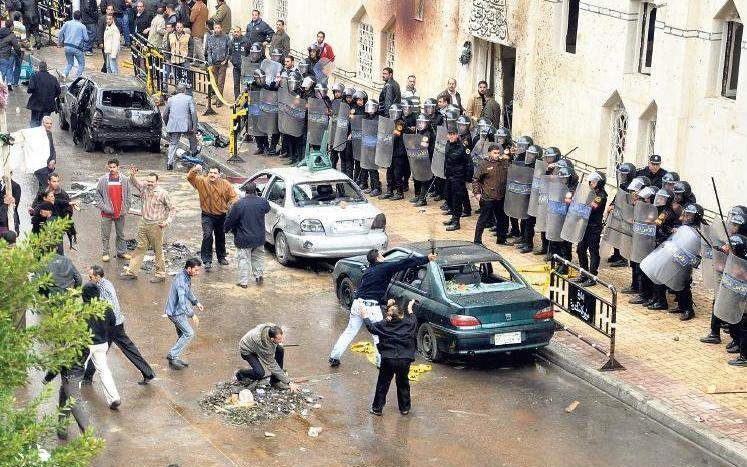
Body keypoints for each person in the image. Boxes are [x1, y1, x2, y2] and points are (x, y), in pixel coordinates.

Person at [329, 249, 438, 367]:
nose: (383, 256)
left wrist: (385, 302)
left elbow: (371, 289)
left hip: (357, 304)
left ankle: (334, 357)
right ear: (377, 258)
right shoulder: (385, 267)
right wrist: (426, 258)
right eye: (381, 255)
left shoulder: (368, 271)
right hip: (371, 308)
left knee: (349, 332)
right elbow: (404, 263)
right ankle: (380, 362)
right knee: (379, 335)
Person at [84, 265, 155, 385]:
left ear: (98, 277)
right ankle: (148, 373)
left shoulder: (104, 288)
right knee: (127, 347)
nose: (89, 279)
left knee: (98, 349)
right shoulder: (102, 284)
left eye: (90, 277)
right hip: (116, 322)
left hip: (112, 325)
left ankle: (87, 378)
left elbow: (108, 307)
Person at [363, 299, 418, 416]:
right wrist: (410, 306)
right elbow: (413, 317)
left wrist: (365, 316)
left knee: (383, 382)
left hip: (388, 358)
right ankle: (404, 408)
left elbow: (371, 327)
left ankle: (377, 408)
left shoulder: (384, 324)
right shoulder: (409, 323)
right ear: (402, 314)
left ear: (389, 315)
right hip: (405, 358)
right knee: (403, 382)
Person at [121, 168, 176, 282]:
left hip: (156, 225)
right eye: (148, 181)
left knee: (158, 250)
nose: (149, 184)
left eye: (152, 182)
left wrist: (166, 222)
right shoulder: (144, 188)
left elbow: (173, 209)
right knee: (140, 247)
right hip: (143, 222)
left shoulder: (163, 193)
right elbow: (135, 182)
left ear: (157, 182)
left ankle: (160, 274)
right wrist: (132, 175)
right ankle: (132, 272)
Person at [187, 164, 238, 270]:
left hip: (222, 215)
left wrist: (234, 207)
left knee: (220, 236)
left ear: (219, 175)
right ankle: (207, 260)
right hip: (207, 215)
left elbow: (233, 197)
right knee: (207, 235)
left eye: (215, 173)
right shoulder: (202, 181)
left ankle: (221, 257)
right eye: (211, 172)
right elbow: (190, 178)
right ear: (208, 173)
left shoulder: (225, 184)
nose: (212, 175)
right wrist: (195, 170)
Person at [81, 282, 121, 410]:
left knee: (76, 371)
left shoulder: (82, 309)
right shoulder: (106, 308)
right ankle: (114, 397)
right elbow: (113, 323)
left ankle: (72, 400)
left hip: (86, 345)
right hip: (102, 343)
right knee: (104, 371)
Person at [224, 182, 270, 287]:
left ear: (245, 192)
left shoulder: (239, 204)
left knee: (243, 260)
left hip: (243, 238)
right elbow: (267, 209)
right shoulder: (263, 202)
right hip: (259, 237)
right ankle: (258, 276)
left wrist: (225, 229)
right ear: (256, 190)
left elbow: (230, 220)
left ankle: (243, 282)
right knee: (258, 257)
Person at [165, 258, 203, 370]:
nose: (198, 272)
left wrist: (196, 302)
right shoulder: (181, 281)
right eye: (196, 270)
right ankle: (173, 355)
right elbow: (182, 302)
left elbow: (188, 291)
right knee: (189, 333)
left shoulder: (185, 276)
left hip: (178, 311)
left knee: (182, 334)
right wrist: (192, 315)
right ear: (189, 268)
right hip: (176, 313)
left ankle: (174, 356)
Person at [236, 323, 299, 390]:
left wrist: (278, 343)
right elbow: (272, 365)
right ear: (272, 339)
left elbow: (277, 340)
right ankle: (241, 373)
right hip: (247, 349)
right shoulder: (264, 347)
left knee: (280, 349)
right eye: (280, 339)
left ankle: (275, 381)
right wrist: (289, 382)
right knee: (260, 373)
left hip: (255, 344)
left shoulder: (271, 327)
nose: (282, 340)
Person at [572, 171, 608, 287]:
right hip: (585, 225)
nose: (590, 183)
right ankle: (584, 273)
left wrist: (579, 205)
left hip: (594, 227)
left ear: (599, 183)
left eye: (593, 182)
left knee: (593, 251)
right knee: (580, 249)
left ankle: (592, 276)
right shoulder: (590, 192)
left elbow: (592, 207)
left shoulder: (601, 195)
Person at [93, 159, 132, 262]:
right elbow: (97, 196)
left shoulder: (124, 179)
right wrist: (105, 208)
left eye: (114, 167)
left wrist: (125, 208)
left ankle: (121, 252)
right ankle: (105, 253)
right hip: (106, 214)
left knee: (120, 234)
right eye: (110, 167)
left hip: (120, 213)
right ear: (107, 167)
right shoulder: (103, 180)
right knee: (105, 235)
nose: (112, 169)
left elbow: (128, 195)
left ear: (118, 167)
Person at [473, 144, 509, 244]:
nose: (497, 155)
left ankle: (501, 239)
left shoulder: (503, 163)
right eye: (495, 153)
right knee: (483, 219)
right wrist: (477, 193)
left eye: (498, 153)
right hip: (488, 196)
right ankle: (477, 240)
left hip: (500, 196)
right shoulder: (484, 164)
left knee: (502, 219)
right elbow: (476, 179)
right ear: (490, 153)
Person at [163, 83, 199, 170]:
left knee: (173, 144)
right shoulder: (189, 98)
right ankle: (193, 152)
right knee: (192, 137)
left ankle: (169, 163)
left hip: (173, 125)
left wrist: (168, 124)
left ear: (176, 91)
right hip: (186, 125)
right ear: (185, 90)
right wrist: (194, 126)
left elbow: (165, 114)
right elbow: (193, 113)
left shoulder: (170, 99)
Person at [443, 125, 471, 231]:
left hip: (458, 177)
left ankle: (456, 221)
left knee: (457, 199)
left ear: (457, 135)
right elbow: (446, 161)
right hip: (449, 176)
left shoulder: (463, 147)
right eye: (449, 134)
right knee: (448, 196)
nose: (451, 136)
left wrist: (467, 178)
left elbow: (469, 164)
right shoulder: (448, 145)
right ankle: (453, 217)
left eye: (453, 134)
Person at [26, 60, 60, 127]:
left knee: (34, 121)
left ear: (39, 68)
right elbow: (58, 91)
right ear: (46, 68)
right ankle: (44, 135)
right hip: (48, 104)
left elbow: (30, 89)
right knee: (45, 124)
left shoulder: (34, 77)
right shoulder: (53, 78)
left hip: (36, 103)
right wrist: (51, 96)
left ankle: (34, 135)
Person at [57, 10, 89, 80]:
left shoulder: (67, 23)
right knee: (81, 64)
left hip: (67, 47)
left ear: (73, 16)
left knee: (70, 63)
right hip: (77, 48)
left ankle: (64, 74)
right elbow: (86, 39)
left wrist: (60, 42)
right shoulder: (82, 26)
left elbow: (60, 33)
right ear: (81, 18)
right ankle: (77, 78)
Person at [206, 22, 230, 106]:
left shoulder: (226, 37)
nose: (217, 29)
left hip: (223, 63)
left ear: (221, 28)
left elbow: (229, 50)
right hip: (214, 63)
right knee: (215, 82)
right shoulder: (210, 38)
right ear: (213, 28)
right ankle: (216, 98)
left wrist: (226, 60)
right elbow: (208, 51)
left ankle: (219, 101)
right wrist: (210, 62)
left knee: (220, 82)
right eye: (216, 28)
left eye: (219, 27)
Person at [165, 21, 193, 90]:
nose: (179, 28)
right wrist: (168, 57)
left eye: (181, 27)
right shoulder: (170, 35)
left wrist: (188, 57)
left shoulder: (188, 36)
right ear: (175, 27)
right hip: (174, 59)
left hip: (184, 60)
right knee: (176, 76)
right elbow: (168, 47)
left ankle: (188, 93)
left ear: (183, 28)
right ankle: (177, 91)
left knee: (186, 77)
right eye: (177, 27)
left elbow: (191, 48)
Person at [0, 18, 22, 87]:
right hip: (6, 55)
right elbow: (17, 47)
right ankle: (8, 83)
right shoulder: (12, 36)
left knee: (3, 69)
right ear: (11, 26)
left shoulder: (1, 31)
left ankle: (6, 83)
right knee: (8, 67)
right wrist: (19, 54)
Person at [229, 26, 246, 99]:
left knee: (244, 86)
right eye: (235, 32)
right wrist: (231, 59)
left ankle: (244, 102)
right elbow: (229, 52)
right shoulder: (231, 42)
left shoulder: (246, 41)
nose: (236, 33)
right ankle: (237, 101)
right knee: (236, 85)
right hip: (235, 67)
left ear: (241, 32)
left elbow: (249, 53)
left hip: (243, 67)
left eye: (237, 32)